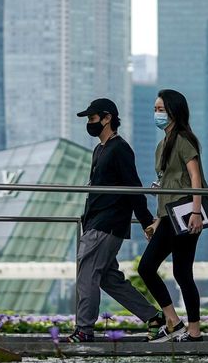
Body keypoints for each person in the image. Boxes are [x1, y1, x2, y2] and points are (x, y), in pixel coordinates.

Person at [62, 98, 168, 343]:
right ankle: (153, 317)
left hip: (106, 224)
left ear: (107, 118)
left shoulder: (120, 148)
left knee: (87, 274)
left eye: (92, 118)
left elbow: (133, 187)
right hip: (95, 222)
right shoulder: (100, 149)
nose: (90, 123)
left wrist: (145, 222)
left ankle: (84, 330)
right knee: (109, 279)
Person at [138, 89, 207, 343]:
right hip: (169, 216)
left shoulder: (183, 140)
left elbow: (195, 177)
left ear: (174, 112)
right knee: (162, 270)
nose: (157, 114)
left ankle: (184, 326)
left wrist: (197, 212)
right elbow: (165, 185)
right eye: (155, 109)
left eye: (161, 110)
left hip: (186, 213)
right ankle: (181, 325)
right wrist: (157, 221)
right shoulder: (162, 145)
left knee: (174, 271)